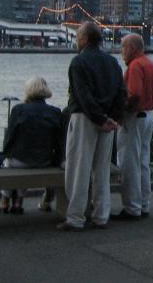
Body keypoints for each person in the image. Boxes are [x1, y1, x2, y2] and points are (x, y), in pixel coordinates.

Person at [58, 21, 126, 231]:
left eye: (78, 37)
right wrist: (112, 118)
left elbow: (82, 95)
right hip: (109, 121)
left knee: (78, 168)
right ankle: (101, 216)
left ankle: (76, 217)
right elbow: (121, 93)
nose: (77, 41)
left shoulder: (79, 62)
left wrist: (99, 119)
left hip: (84, 118)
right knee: (102, 170)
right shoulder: (112, 62)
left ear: (85, 39)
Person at [0, 76, 63, 215]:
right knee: (21, 162)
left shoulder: (18, 110)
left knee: (9, 164)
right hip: (45, 160)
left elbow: (9, 138)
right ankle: (18, 201)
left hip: (19, 161)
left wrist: (5, 153)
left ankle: (5, 201)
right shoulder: (55, 111)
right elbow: (58, 141)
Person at [112, 33, 153, 221]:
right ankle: (144, 204)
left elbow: (135, 94)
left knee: (129, 163)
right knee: (143, 163)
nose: (121, 52)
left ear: (131, 48)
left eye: (123, 47)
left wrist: (123, 112)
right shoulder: (151, 65)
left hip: (134, 118)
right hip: (147, 117)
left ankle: (132, 207)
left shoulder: (135, 66)